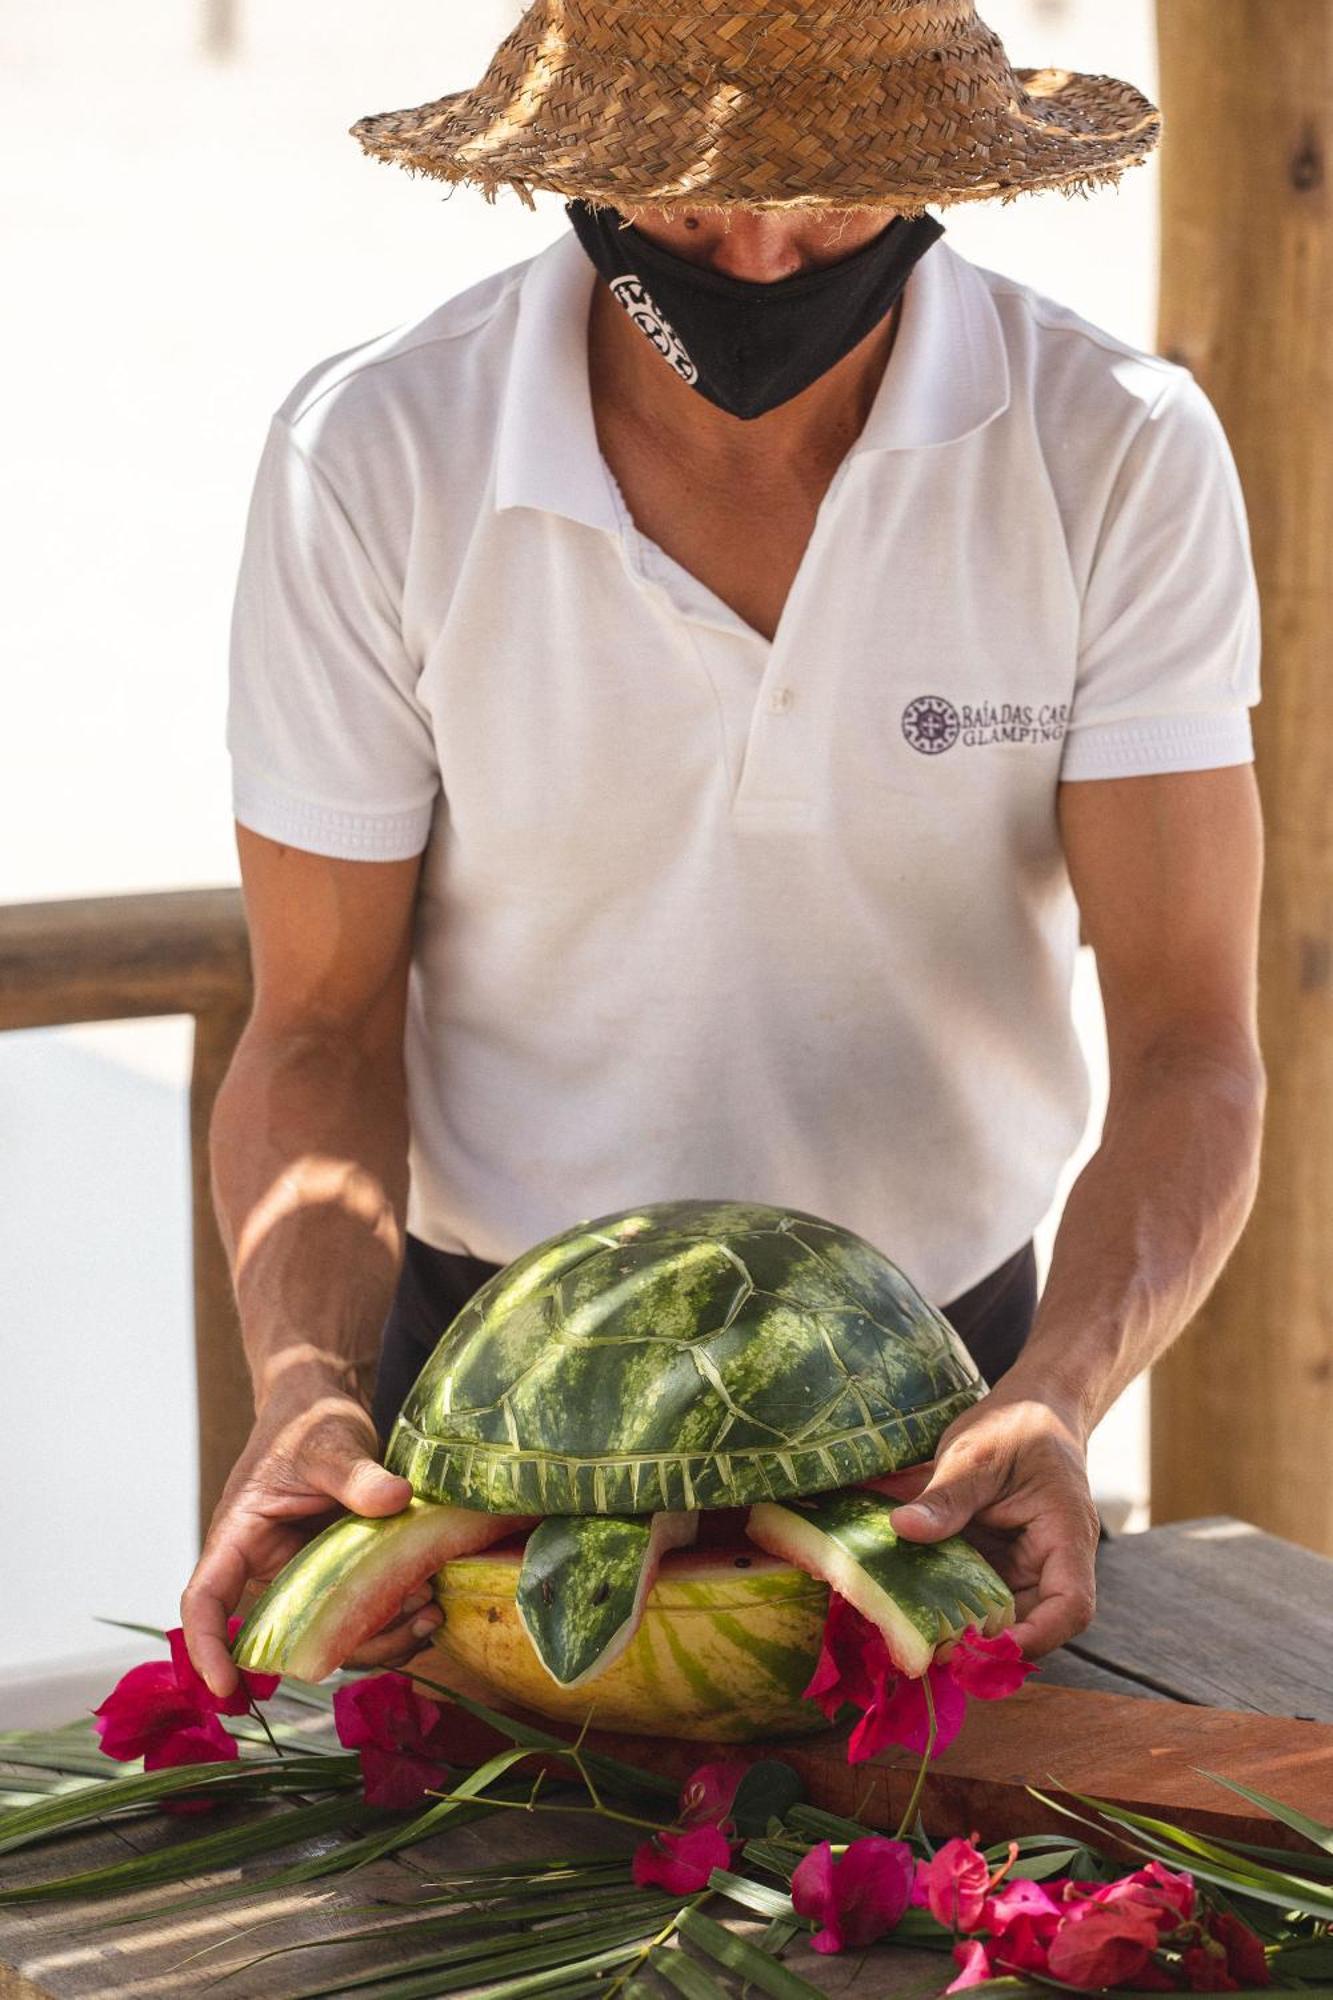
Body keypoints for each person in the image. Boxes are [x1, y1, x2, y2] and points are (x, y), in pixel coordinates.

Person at [182, 0, 1265, 1701]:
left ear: (934, 170)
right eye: (689, 201)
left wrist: (1055, 1396)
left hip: (944, 1398)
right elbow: (315, 1025)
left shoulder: (1114, 447)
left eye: (830, 194)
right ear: (578, 167)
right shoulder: (376, 454)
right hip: (485, 1403)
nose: (759, 252)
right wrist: (301, 1383)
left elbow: (1194, 1040)